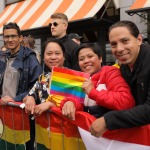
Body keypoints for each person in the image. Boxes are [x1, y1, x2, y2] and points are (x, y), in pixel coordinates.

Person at [90, 21, 150, 140]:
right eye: (113, 44)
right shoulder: (123, 67)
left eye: (125, 41)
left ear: (139, 39)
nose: (119, 49)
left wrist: (108, 120)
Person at [61, 43, 134, 121]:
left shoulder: (110, 72)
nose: (86, 61)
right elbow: (76, 100)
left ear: (100, 58)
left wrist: (92, 92)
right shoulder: (81, 78)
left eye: (90, 56)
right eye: (81, 59)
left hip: (111, 129)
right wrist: (70, 103)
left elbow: (126, 101)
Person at [0, 22, 42, 150]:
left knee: (24, 146)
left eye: (13, 36)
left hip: (22, 113)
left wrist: (16, 100)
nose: (10, 39)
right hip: (4, 112)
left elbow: (37, 85)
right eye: (7, 37)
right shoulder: (2, 56)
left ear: (20, 38)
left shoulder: (30, 58)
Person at [25, 38, 66, 116]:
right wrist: (30, 98)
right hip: (43, 126)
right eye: (49, 54)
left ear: (64, 56)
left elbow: (76, 105)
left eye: (57, 53)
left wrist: (50, 104)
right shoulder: (43, 77)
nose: (53, 57)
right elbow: (31, 93)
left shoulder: (72, 77)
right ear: (43, 57)